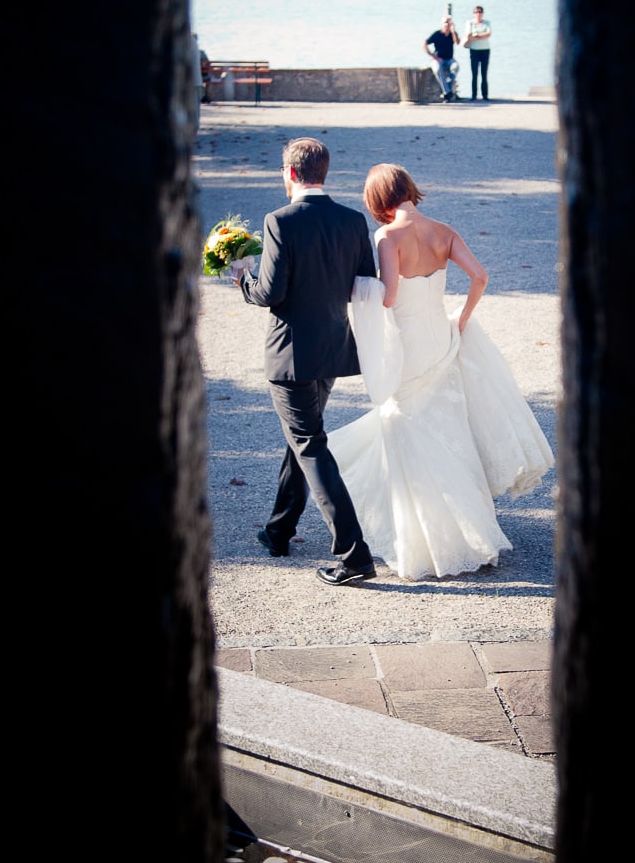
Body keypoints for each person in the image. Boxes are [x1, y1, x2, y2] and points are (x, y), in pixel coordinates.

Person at [326, 164, 554, 580]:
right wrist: (461, 320)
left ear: (378, 200)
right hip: (442, 342)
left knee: (408, 432)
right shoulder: (444, 231)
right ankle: (475, 532)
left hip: (409, 349)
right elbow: (480, 277)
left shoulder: (387, 236)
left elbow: (390, 298)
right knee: (451, 435)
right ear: (409, 189)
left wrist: (358, 288)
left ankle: (428, 540)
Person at [231, 137, 378, 587]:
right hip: (332, 349)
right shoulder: (353, 221)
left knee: (310, 445)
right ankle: (279, 530)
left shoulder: (280, 221)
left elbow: (270, 293)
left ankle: (354, 555)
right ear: (323, 172)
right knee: (304, 438)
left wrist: (242, 277)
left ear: (290, 173)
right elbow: (364, 284)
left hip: (291, 352)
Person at [423, 14, 460, 101]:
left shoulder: (452, 34)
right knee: (437, 70)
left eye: (448, 22)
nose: (447, 24)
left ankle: (446, 92)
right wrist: (433, 56)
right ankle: (447, 92)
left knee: (456, 67)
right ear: (442, 24)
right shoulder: (437, 34)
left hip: (450, 59)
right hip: (438, 58)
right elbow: (424, 44)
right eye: (445, 22)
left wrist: (453, 31)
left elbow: (457, 42)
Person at [463, 4, 492, 100]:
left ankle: (485, 95)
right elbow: (468, 36)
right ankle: (474, 95)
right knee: (474, 74)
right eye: (476, 12)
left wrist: (477, 36)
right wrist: (480, 36)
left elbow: (488, 34)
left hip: (485, 50)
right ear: (474, 13)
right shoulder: (470, 23)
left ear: (482, 13)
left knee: (484, 73)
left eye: (480, 12)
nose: (478, 14)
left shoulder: (486, 23)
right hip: (474, 50)